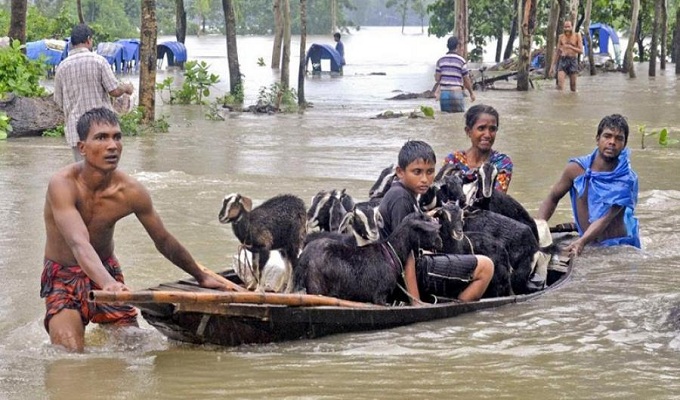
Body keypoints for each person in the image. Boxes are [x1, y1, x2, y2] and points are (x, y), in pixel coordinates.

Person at [40, 107, 234, 352]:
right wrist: (108, 284)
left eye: (117, 137)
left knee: (134, 349)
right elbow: (79, 243)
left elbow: (163, 240)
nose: (112, 145)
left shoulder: (131, 191)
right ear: (82, 148)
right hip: (63, 276)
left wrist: (201, 276)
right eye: (101, 137)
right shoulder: (62, 184)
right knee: (69, 354)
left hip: (106, 269)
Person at [378, 140, 493, 304]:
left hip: (391, 268)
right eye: (417, 172)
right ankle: (456, 309)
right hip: (403, 272)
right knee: (486, 267)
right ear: (400, 172)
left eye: (430, 172)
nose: (425, 179)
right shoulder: (401, 198)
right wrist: (415, 302)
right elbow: (405, 256)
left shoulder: (402, 192)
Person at [536, 114, 640, 256]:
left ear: (624, 144)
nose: (612, 142)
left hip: (617, 247)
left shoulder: (626, 179)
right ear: (598, 139)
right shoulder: (576, 169)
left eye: (619, 138)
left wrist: (581, 242)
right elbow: (553, 198)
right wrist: (538, 228)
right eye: (607, 136)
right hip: (588, 243)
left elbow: (605, 219)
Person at [53, 23, 134, 162]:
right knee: (106, 172)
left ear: (72, 43)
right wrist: (126, 88)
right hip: (101, 129)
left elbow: (58, 101)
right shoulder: (99, 61)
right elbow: (114, 91)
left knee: (83, 174)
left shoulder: (62, 67)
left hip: (76, 132)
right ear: (89, 40)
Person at [443, 104, 513, 193]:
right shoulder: (454, 160)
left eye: (492, 129)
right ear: (468, 131)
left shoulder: (502, 162)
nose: (487, 135)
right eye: (481, 128)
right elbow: (445, 193)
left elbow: (496, 198)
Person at [434, 36, 475, 113]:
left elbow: (437, 79)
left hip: (444, 95)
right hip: (456, 93)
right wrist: (471, 93)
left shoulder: (440, 60)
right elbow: (466, 80)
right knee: (458, 119)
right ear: (457, 46)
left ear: (447, 46)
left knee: (445, 118)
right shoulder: (461, 61)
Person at [550, 20, 583, 92]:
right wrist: (552, 67)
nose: (567, 29)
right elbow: (557, 52)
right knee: (560, 85)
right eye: (565, 27)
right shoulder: (561, 37)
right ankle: (561, 102)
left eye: (568, 27)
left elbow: (581, 51)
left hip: (573, 60)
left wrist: (570, 47)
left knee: (573, 87)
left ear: (572, 27)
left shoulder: (577, 36)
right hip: (563, 60)